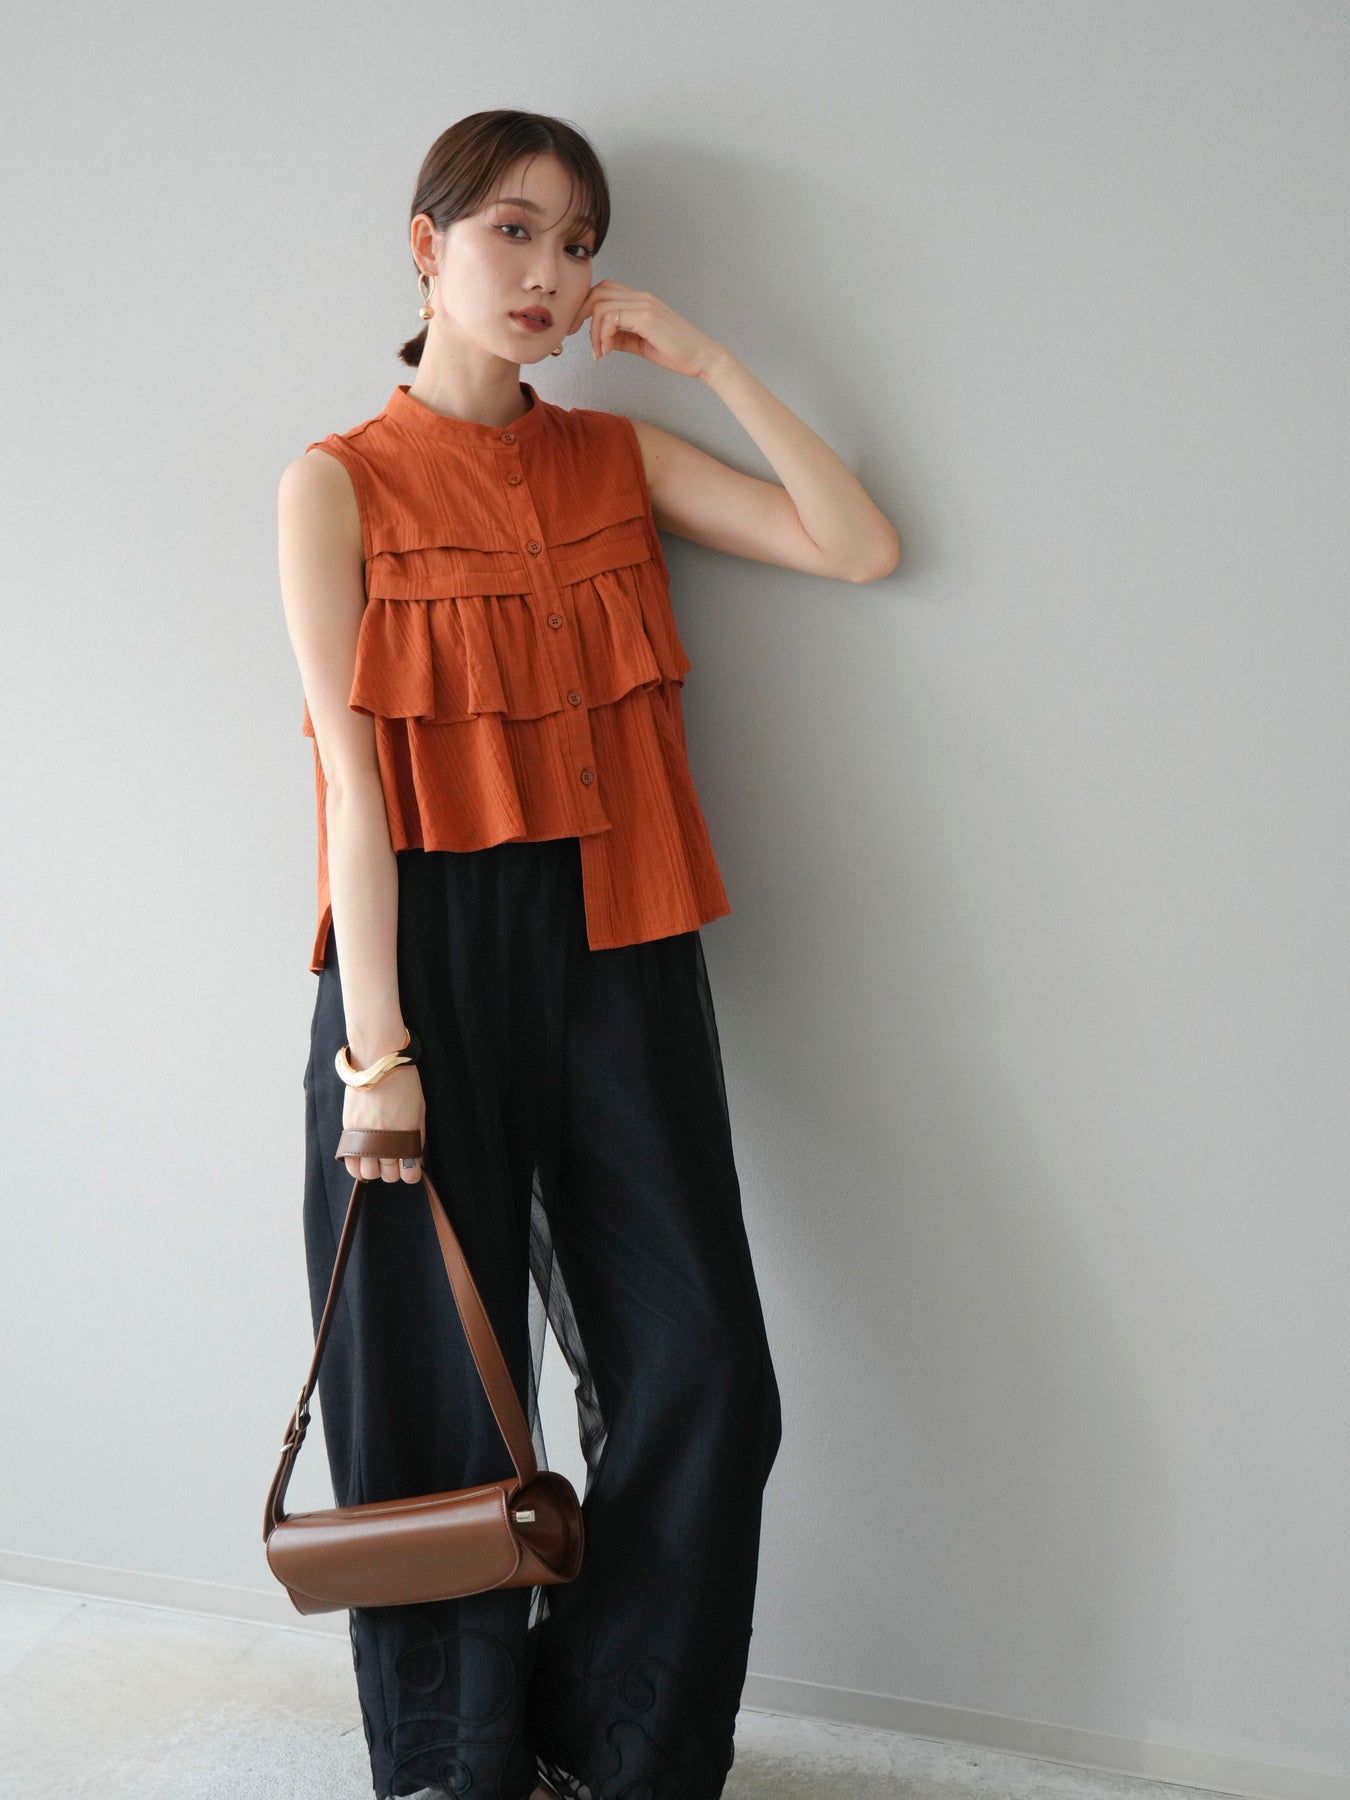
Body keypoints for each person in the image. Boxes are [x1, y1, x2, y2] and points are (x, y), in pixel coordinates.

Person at [277, 108, 900, 1800]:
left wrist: (705, 360)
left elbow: (854, 544)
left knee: (706, 1371)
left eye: (575, 242)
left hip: (622, 940)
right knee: (430, 1408)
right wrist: (376, 1055)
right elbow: (351, 784)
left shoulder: (614, 457)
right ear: (427, 247)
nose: (546, 271)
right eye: (510, 230)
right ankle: (453, 1766)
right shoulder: (334, 482)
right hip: (425, 961)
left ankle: (614, 1747)